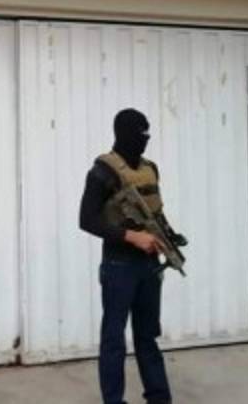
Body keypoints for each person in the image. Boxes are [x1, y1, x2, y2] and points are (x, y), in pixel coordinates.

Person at [79, 109, 186, 404]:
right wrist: (133, 237)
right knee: (114, 339)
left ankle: (159, 398)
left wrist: (170, 236)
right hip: (119, 265)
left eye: (147, 133)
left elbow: (155, 212)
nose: (145, 139)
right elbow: (87, 219)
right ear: (123, 133)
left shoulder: (150, 169)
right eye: (140, 133)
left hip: (150, 264)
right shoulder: (102, 171)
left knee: (147, 337)